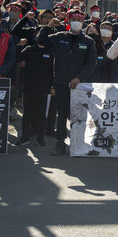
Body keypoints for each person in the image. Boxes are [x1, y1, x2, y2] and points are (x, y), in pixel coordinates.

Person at [37, 9, 97, 155]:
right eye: (73, 19)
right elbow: (41, 42)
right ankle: (60, 144)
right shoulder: (59, 36)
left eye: (80, 19)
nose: (77, 22)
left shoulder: (88, 41)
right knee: (62, 114)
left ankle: (78, 144)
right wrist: (48, 26)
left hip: (79, 85)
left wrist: (79, 78)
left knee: (78, 116)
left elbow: (91, 63)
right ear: (68, 21)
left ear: (83, 22)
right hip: (61, 83)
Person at [17, 38, 54, 146]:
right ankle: (25, 136)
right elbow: (18, 58)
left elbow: (54, 70)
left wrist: (52, 86)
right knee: (27, 113)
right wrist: (20, 46)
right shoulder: (29, 49)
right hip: (29, 86)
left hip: (44, 87)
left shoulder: (51, 51)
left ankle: (40, 137)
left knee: (42, 113)